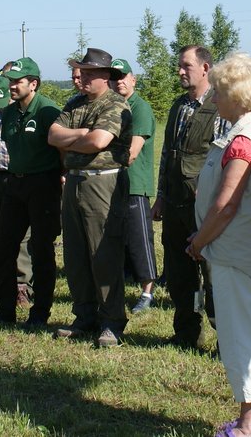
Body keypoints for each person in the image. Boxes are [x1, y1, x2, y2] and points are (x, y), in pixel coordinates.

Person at [186, 52, 251, 437]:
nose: (214, 99)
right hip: (238, 248)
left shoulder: (243, 140)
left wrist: (199, 241)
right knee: (246, 332)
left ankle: (250, 424)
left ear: (235, 97)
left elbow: (225, 206)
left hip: (235, 251)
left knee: (239, 336)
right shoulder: (246, 130)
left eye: (219, 92)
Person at [48, 48, 132, 348]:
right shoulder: (75, 103)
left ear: (105, 76)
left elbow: (99, 141)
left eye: (88, 72)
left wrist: (77, 137)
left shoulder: (116, 104)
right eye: (80, 72)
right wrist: (82, 134)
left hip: (103, 182)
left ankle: (112, 321)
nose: (81, 77)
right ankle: (84, 317)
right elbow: (53, 135)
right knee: (76, 254)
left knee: (103, 253)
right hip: (74, 181)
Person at [153, 45, 227, 349]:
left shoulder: (219, 106)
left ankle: (226, 339)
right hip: (174, 202)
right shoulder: (178, 106)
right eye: (179, 66)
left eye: (186, 66)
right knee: (179, 274)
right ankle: (187, 333)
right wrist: (160, 196)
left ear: (205, 68)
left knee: (213, 274)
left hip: (203, 205)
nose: (180, 71)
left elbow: (224, 158)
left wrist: (214, 201)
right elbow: (166, 155)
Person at [0, 58, 63, 328]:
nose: (12, 86)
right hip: (15, 183)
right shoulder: (9, 113)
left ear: (33, 84)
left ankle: (40, 313)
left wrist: (60, 177)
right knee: (3, 247)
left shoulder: (47, 111)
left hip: (43, 184)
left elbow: (62, 150)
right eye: (10, 81)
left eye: (17, 81)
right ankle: (4, 310)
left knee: (41, 249)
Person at [110, 58, 158, 315]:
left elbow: (132, 152)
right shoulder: (111, 106)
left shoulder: (140, 108)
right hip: (111, 183)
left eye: (122, 76)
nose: (118, 82)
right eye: (113, 78)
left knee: (140, 240)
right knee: (115, 240)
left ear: (133, 79)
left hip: (134, 184)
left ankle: (147, 292)